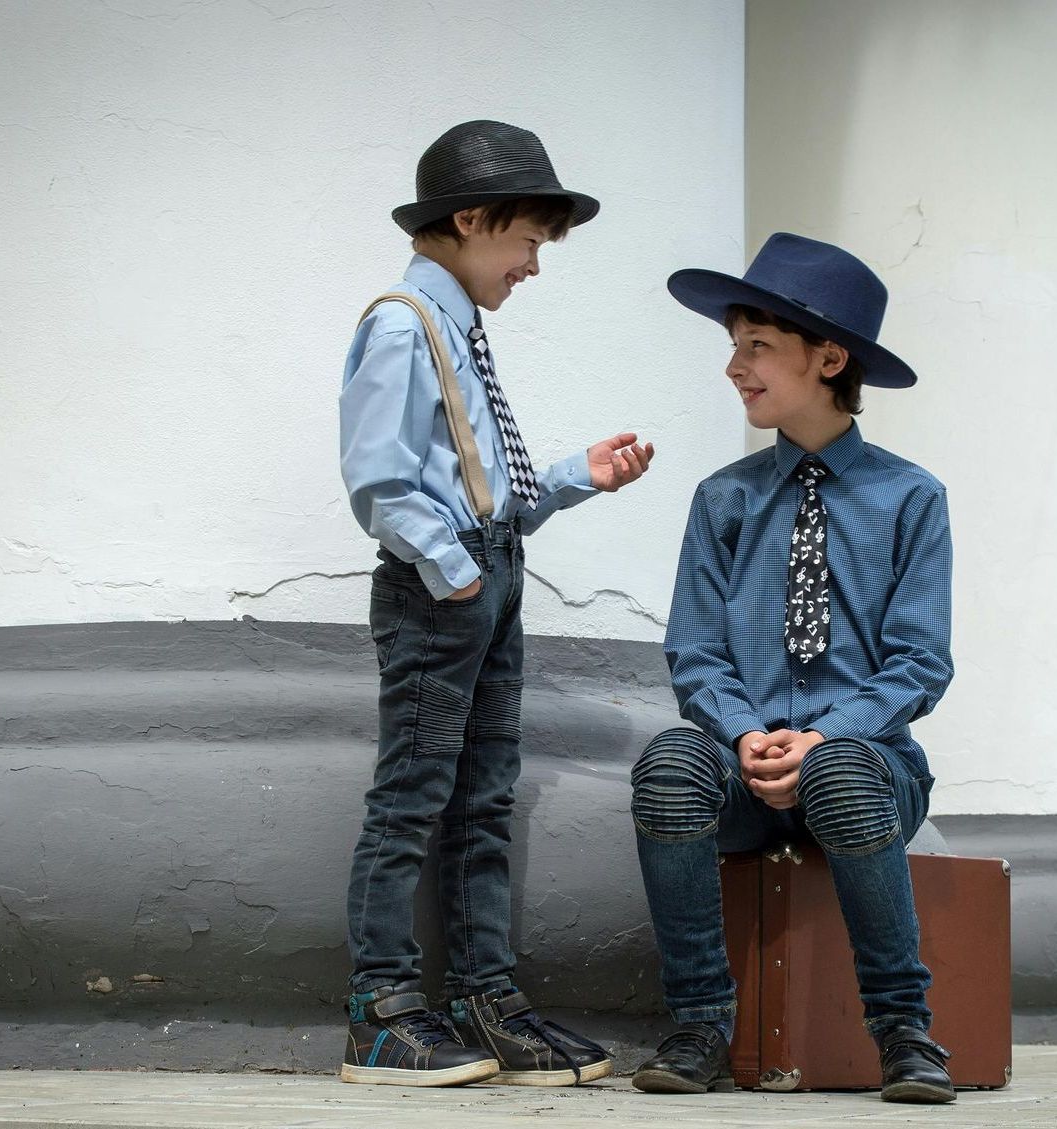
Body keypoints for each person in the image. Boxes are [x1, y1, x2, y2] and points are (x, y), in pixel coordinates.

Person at [338, 120, 653, 1087]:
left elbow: (480, 478)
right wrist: (454, 568)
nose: (531, 266)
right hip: (445, 590)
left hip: (487, 570)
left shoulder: (459, 327)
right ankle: (382, 1011)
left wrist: (572, 475)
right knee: (413, 798)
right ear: (470, 221)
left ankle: (484, 994)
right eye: (525, 242)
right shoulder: (401, 323)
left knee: (483, 800)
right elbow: (381, 481)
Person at [629, 233, 956, 1104]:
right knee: (667, 763)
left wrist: (819, 740)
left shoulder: (911, 498)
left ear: (829, 356)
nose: (734, 366)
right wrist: (744, 735)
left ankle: (903, 1032)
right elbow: (694, 652)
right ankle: (700, 1024)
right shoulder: (723, 498)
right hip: (743, 765)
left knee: (846, 771)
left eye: (756, 346)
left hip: (865, 769)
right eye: (733, 346)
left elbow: (920, 663)